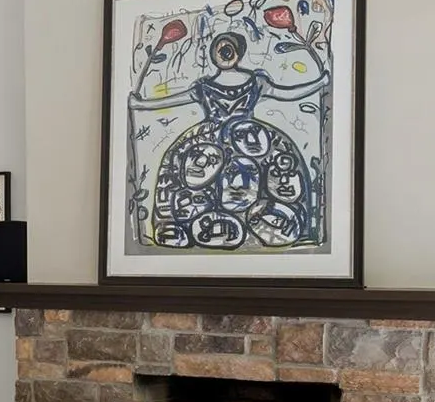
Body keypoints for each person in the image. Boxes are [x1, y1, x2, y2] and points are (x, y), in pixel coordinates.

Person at [130, 24, 329, 251]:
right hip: (208, 143)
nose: (224, 53)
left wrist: (319, 83)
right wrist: (141, 104)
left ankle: (264, 230)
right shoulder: (203, 87)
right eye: (220, 49)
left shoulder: (256, 82)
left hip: (252, 141)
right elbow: (173, 100)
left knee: (265, 181)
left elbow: (287, 93)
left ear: (238, 53)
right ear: (214, 55)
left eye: (229, 49)